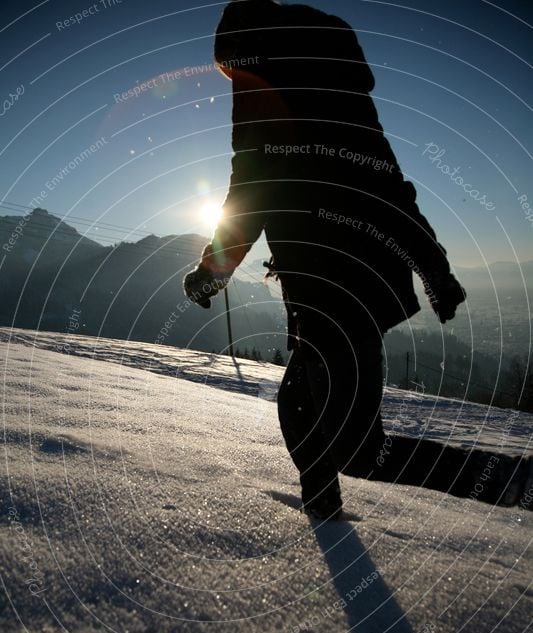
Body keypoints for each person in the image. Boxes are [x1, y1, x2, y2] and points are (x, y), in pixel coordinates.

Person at [184, 0, 532, 519]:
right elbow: (387, 183)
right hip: (340, 283)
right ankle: (326, 516)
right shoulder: (337, 93)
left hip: (334, 291)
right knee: (298, 405)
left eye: (230, 66)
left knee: (360, 449)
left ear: (244, 49)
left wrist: (214, 270)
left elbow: (252, 190)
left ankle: (515, 482)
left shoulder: (262, 84)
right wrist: (431, 266)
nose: (231, 79)